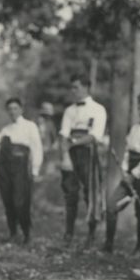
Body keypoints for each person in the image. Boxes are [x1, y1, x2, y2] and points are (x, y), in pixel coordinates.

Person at [103, 94, 140, 255]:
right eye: (139, 108)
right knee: (111, 205)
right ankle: (108, 245)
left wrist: (134, 175)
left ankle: (139, 247)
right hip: (129, 171)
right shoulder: (135, 128)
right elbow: (128, 152)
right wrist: (124, 169)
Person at [59, 74, 107, 247]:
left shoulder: (98, 109)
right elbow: (64, 134)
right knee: (70, 194)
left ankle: (91, 234)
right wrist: (65, 154)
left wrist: (74, 142)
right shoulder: (69, 110)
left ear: (86, 87)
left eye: (76, 87)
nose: (73, 91)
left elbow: (95, 136)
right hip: (71, 154)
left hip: (88, 154)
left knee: (90, 194)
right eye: (72, 88)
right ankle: (68, 234)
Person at [0, 98, 43, 244]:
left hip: (21, 167)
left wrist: (35, 169)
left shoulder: (30, 126)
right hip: (4, 167)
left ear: (21, 109)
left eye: (15, 108)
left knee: (20, 201)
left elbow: (37, 148)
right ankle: (12, 233)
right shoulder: (5, 129)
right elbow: (0, 151)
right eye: (9, 109)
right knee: (8, 200)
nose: (12, 111)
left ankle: (27, 233)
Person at [36, 101, 59, 175]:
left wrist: (53, 145)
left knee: (48, 171)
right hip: (38, 150)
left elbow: (54, 137)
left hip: (48, 150)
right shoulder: (35, 123)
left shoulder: (50, 124)